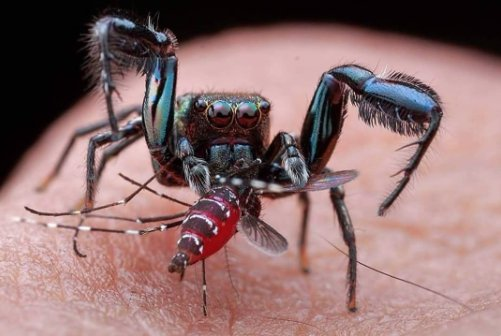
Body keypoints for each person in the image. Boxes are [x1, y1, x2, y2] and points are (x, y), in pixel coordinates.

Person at [1, 24, 499, 335]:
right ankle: (80, 203)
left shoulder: (274, 147)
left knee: (339, 87)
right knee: (108, 131)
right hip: (177, 159)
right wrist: (86, 201)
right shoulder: (169, 138)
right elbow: (97, 139)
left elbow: (310, 175)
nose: (235, 128)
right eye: (220, 119)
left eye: (249, 120)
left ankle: (337, 280)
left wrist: (297, 175)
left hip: (251, 175)